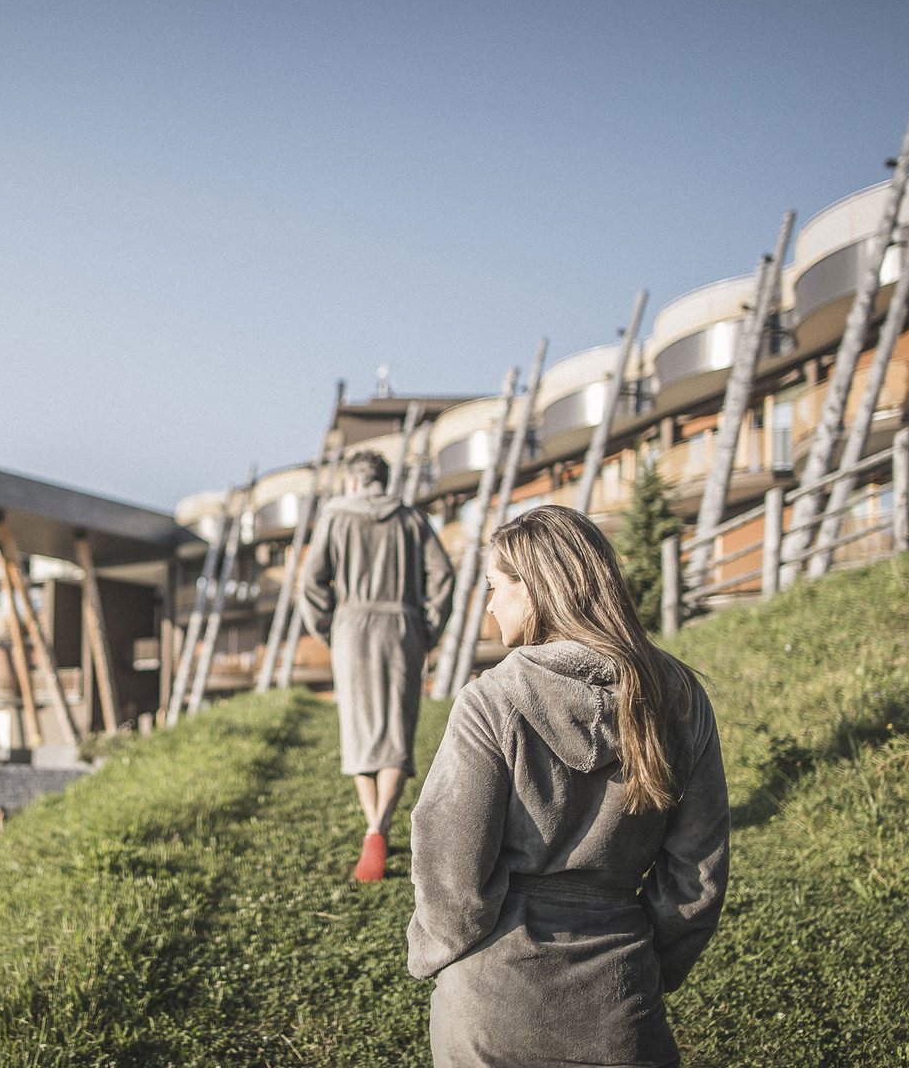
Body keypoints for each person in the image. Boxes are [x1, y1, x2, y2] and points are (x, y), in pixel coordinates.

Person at [406, 505, 728, 1067]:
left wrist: (439, 957)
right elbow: (697, 871)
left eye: (494, 587)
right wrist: (652, 966)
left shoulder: (492, 700)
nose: (488, 604)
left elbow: (448, 865)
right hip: (619, 999)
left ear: (532, 590)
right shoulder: (677, 696)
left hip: (489, 1004)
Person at [299, 450, 454, 882]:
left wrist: (328, 628)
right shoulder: (411, 519)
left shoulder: (335, 516)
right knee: (395, 730)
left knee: (358, 728)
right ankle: (379, 827)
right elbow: (443, 576)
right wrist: (428, 629)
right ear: (383, 481)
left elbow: (311, 581)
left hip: (351, 628)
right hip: (402, 627)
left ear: (351, 482)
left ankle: (374, 830)